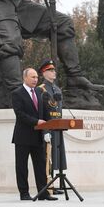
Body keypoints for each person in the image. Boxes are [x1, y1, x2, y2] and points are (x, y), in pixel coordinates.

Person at [11, 68, 57, 201]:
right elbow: (20, 114)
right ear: (24, 78)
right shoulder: (17, 93)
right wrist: (37, 121)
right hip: (23, 136)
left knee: (41, 165)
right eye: (32, 77)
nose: (35, 80)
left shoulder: (39, 92)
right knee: (22, 166)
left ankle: (43, 192)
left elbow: (43, 112)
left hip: (37, 136)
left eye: (36, 77)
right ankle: (24, 193)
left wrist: (53, 122)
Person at [38, 59, 66, 195]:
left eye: (54, 70)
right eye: (50, 70)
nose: (54, 72)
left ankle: (54, 185)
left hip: (58, 126)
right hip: (48, 126)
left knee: (56, 156)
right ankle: (48, 186)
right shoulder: (41, 89)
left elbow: (58, 110)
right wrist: (44, 130)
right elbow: (41, 112)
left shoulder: (56, 89)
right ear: (44, 72)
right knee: (47, 157)